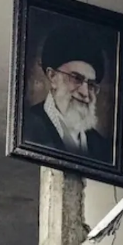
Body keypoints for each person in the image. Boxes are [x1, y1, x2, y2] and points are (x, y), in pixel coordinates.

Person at [23, 27, 114, 165]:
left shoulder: (102, 147)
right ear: (52, 77)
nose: (85, 93)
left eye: (91, 85)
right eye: (76, 78)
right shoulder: (28, 127)